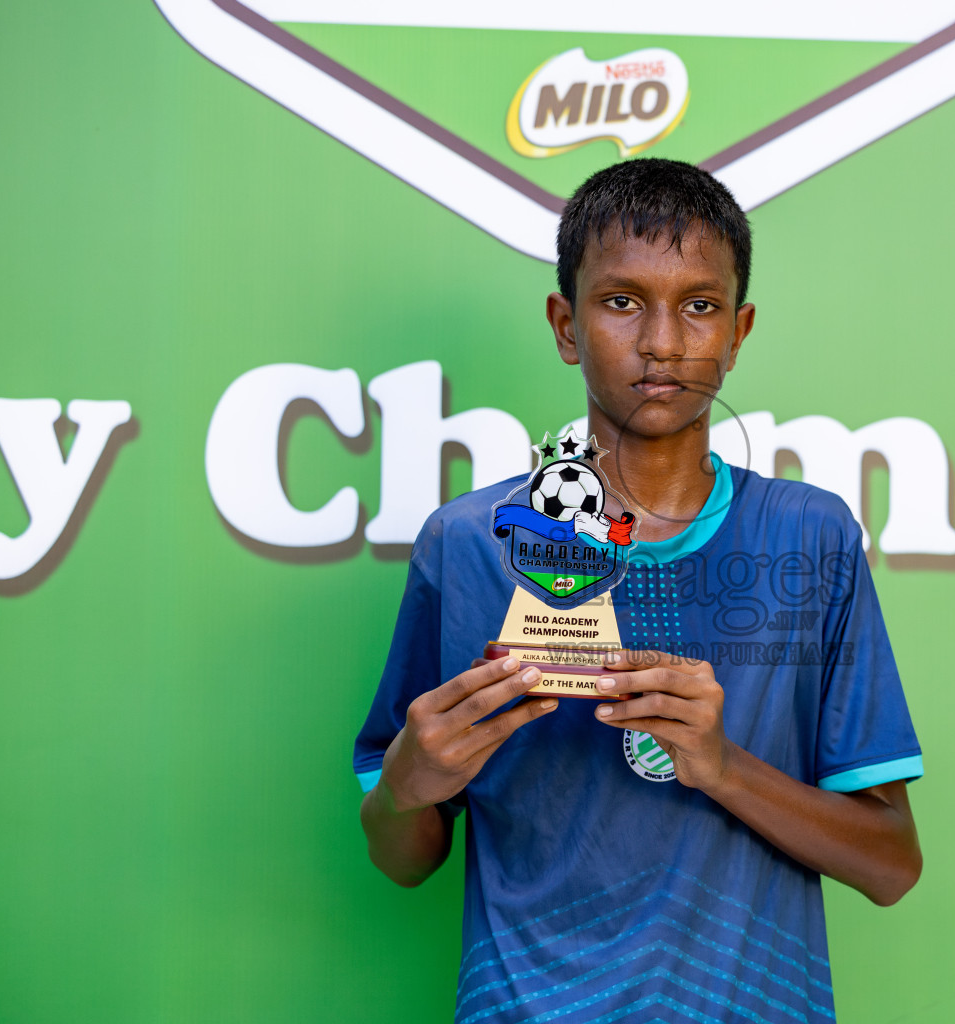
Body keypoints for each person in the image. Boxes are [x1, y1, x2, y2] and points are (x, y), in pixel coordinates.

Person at [355, 158, 923, 1023]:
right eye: (622, 301)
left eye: (699, 305)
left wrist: (721, 765)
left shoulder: (812, 537)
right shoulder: (469, 544)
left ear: (738, 331)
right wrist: (407, 783)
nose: (663, 340)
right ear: (565, 324)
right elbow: (403, 858)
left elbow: (891, 866)